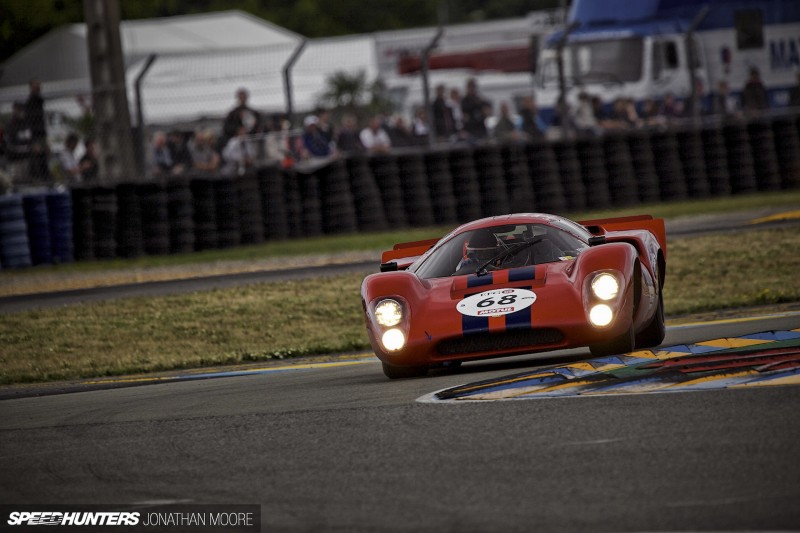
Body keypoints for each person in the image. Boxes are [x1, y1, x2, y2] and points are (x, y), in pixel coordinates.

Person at [4, 102, 32, 186]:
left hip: (26, 157)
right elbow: (10, 144)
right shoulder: (10, 124)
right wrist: (26, 148)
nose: (21, 112)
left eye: (22, 110)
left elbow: (29, 138)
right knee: (16, 180)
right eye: (18, 110)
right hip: (15, 158)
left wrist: (29, 147)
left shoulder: (26, 123)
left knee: (25, 179)